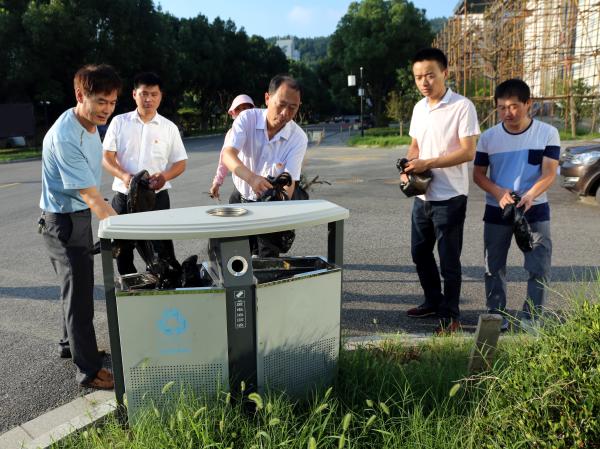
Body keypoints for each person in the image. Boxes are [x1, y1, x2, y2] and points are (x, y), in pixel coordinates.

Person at [39, 64, 121, 389]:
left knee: (74, 290)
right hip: (64, 222)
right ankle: (88, 371)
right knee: (80, 297)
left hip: (78, 216)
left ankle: (68, 345)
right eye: (100, 101)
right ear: (80, 95)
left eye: (112, 102)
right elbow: (91, 196)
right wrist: (122, 228)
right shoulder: (65, 136)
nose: (107, 109)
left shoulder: (90, 125)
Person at [402, 48, 481, 333]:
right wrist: (408, 165)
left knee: (449, 260)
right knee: (419, 253)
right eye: (418, 77)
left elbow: (468, 152)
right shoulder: (419, 108)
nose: (424, 82)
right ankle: (433, 301)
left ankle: (451, 316)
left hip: (450, 197)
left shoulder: (462, 106)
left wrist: (429, 162)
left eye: (430, 75)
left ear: (445, 73)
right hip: (422, 194)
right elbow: (415, 145)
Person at [473, 79, 560, 331]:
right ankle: (496, 316)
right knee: (493, 266)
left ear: (528, 104)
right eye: (501, 108)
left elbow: (549, 173)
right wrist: (498, 192)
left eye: (513, 106)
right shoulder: (489, 137)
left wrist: (531, 195)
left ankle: (532, 318)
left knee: (539, 267)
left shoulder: (547, 133)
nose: (507, 113)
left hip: (535, 209)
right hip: (497, 210)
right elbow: (478, 175)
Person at [103, 72, 188, 275]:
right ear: (134, 94)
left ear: (160, 96)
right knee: (123, 251)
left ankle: (164, 284)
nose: (148, 99)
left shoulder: (169, 128)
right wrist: (124, 176)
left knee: (162, 250)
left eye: (153, 94)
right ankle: (131, 286)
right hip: (124, 197)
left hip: (156, 198)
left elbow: (181, 162)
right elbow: (106, 157)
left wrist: (165, 177)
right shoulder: (119, 122)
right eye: (144, 94)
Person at [222, 75, 307, 257]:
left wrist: (281, 200)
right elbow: (228, 155)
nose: (285, 113)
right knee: (236, 259)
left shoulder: (298, 138)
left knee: (268, 261)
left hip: (271, 207)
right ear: (267, 98)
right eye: (281, 105)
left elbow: (290, 181)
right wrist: (252, 178)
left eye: (292, 108)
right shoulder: (247, 118)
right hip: (241, 199)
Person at [208, 94, 255, 201]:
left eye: (245, 108)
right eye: (238, 109)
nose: (242, 112)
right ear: (233, 113)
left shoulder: (260, 131)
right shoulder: (231, 133)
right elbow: (224, 159)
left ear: (252, 110)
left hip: (260, 186)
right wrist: (217, 182)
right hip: (240, 187)